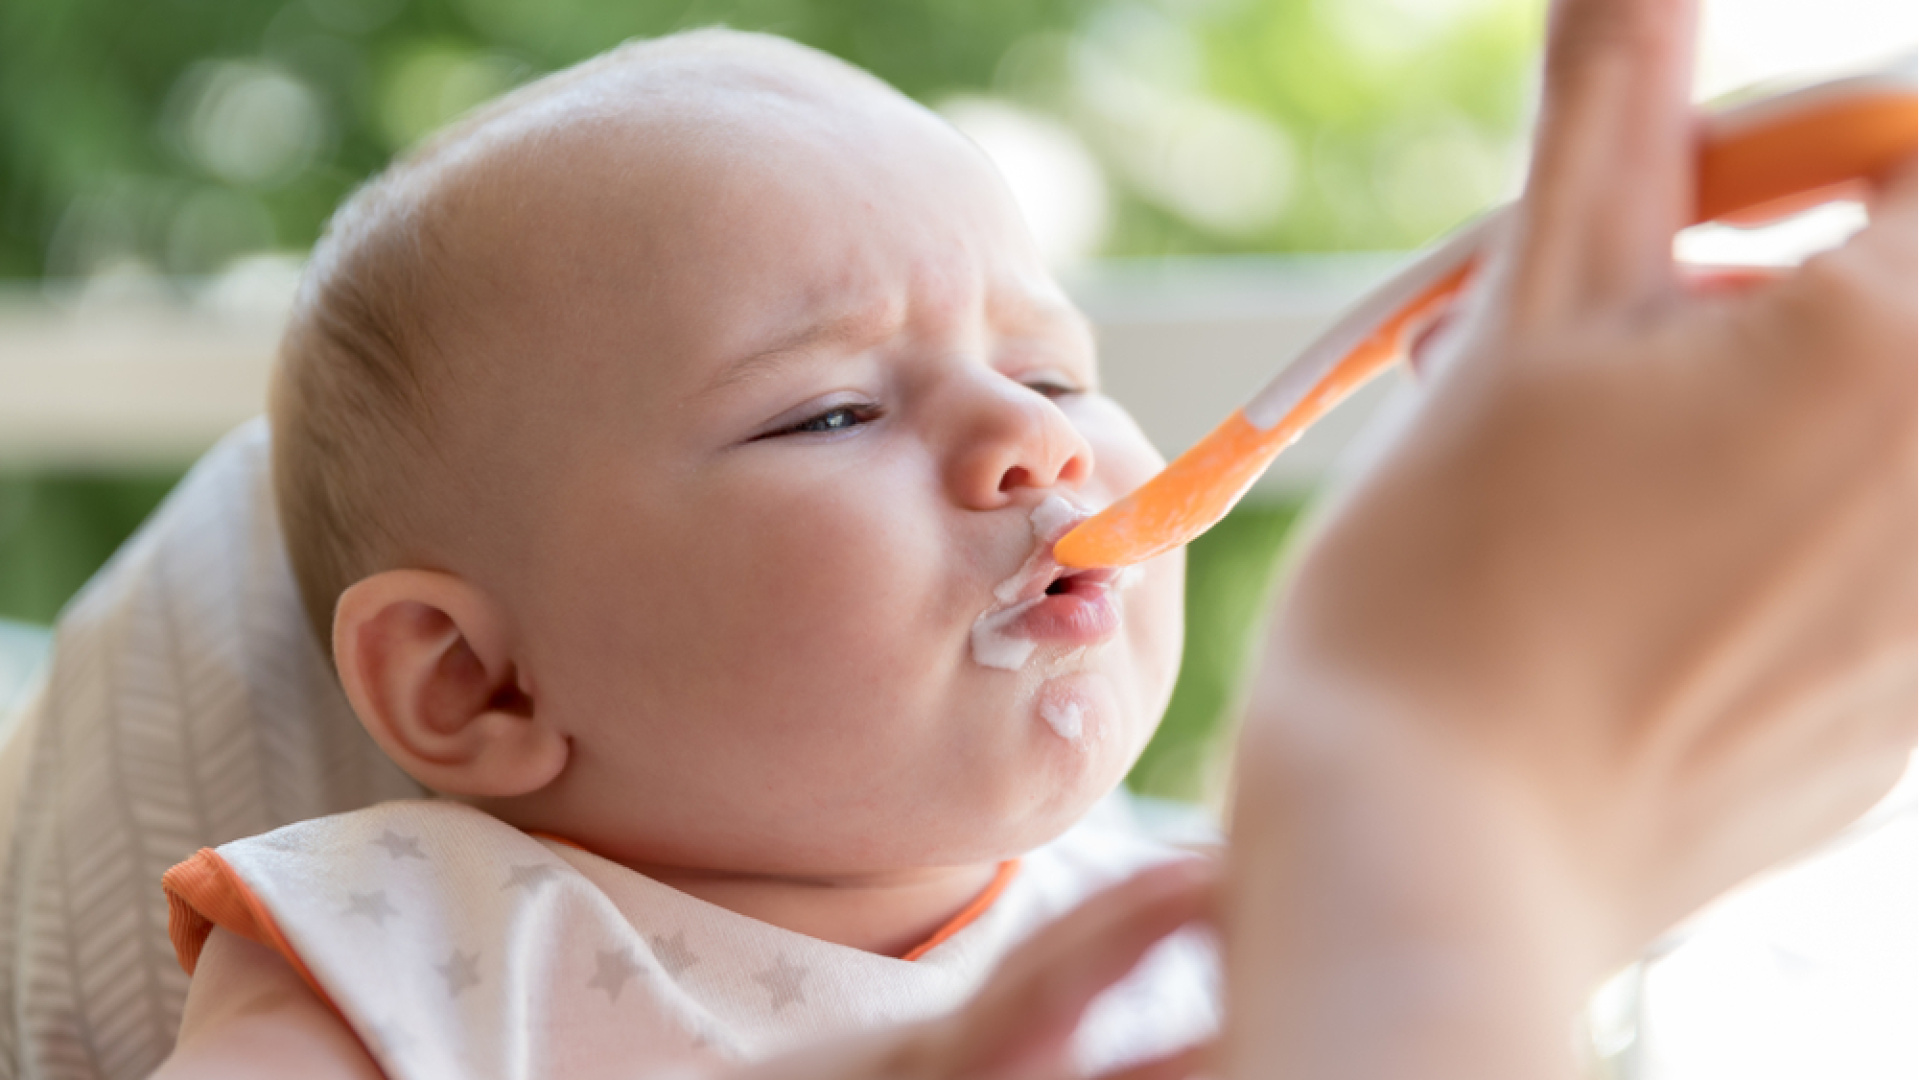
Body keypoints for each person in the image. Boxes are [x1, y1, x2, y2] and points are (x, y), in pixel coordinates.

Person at [152, 0, 1917, 1075]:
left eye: (1053, 368)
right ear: (469, 679)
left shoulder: (1200, 907)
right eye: (830, 409)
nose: (1034, 442)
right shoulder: (399, 931)